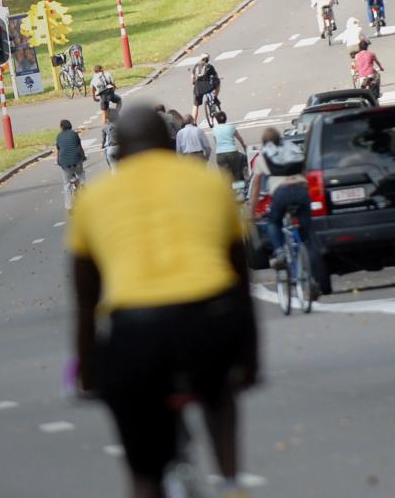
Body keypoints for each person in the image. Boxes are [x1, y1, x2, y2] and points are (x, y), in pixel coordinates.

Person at [68, 106, 257, 498]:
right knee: (218, 394)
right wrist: (249, 360)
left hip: (136, 334)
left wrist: (88, 371)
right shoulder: (209, 184)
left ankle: (147, 483)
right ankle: (231, 482)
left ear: (119, 152)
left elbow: (86, 302)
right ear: (170, 143)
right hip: (210, 320)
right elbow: (241, 280)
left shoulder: (94, 200)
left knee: (144, 467)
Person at [257, 127, 322, 291]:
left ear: (264, 142)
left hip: (281, 193)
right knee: (308, 238)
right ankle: (316, 280)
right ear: (280, 138)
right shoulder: (293, 148)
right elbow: (307, 170)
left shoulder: (264, 154)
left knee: (273, 222)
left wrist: (252, 212)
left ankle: (280, 252)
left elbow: (256, 185)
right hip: (301, 191)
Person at [210, 112, 247, 182]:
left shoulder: (214, 130)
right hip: (233, 152)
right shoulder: (231, 127)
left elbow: (216, 142)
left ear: (217, 120)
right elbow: (239, 138)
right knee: (237, 173)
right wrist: (244, 146)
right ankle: (240, 188)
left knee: (225, 176)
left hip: (220, 154)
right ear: (226, 119)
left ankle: (228, 188)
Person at [190, 55, 220, 123]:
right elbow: (216, 75)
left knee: (195, 105)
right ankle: (215, 97)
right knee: (218, 82)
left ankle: (194, 122)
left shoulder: (196, 66)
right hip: (208, 87)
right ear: (207, 60)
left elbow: (192, 77)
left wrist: (194, 83)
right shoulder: (210, 66)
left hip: (198, 88)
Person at [56, 119, 86, 186]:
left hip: (64, 162)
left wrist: (58, 161)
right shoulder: (74, 134)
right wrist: (83, 157)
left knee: (67, 184)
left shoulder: (59, 136)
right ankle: (83, 186)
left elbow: (58, 150)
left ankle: (68, 191)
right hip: (76, 160)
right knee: (80, 174)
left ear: (61, 127)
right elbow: (79, 147)